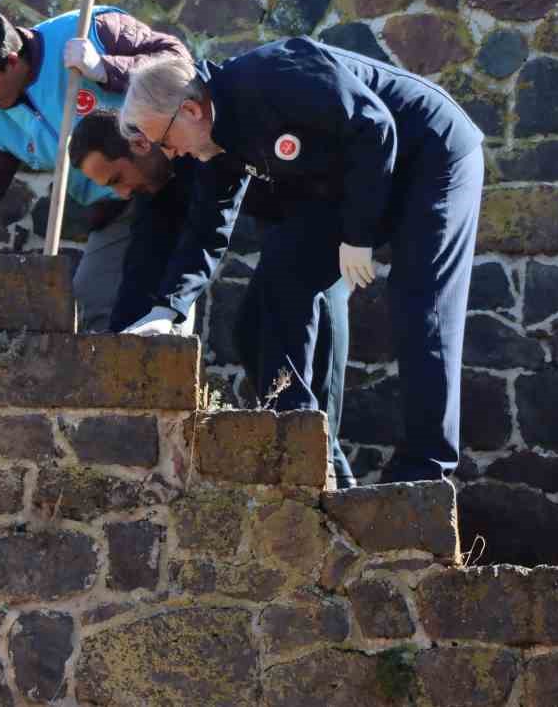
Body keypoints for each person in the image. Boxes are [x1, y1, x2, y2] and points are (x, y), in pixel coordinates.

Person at [118, 39, 484, 483]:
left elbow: (375, 125)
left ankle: (424, 470)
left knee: (420, 304)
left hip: (428, 152)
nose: (170, 154)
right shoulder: (215, 141)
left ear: (191, 111)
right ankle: (306, 448)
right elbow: (207, 227)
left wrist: (358, 235)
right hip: (351, 180)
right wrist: (168, 309)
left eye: (165, 141)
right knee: (273, 291)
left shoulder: (275, 76)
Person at [68, 110, 357, 487]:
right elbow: (142, 269)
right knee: (251, 336)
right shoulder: (157, 187)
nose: (121, 193)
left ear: (141, 145)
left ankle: (334, 485)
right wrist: (123, 351)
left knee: (301, 370)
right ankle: (329, 480)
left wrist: (170, 308)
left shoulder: (203, 146)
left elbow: (206, 237)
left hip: (319, 216)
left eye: (119, 178)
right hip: (282, 231)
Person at [0, 1, 186, 331]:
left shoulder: (90, 30)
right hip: (114, 210)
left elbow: (178, 63)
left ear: (11, 62)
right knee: (90, 307)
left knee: (163, 305)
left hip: (167, 181)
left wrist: (106, 69)